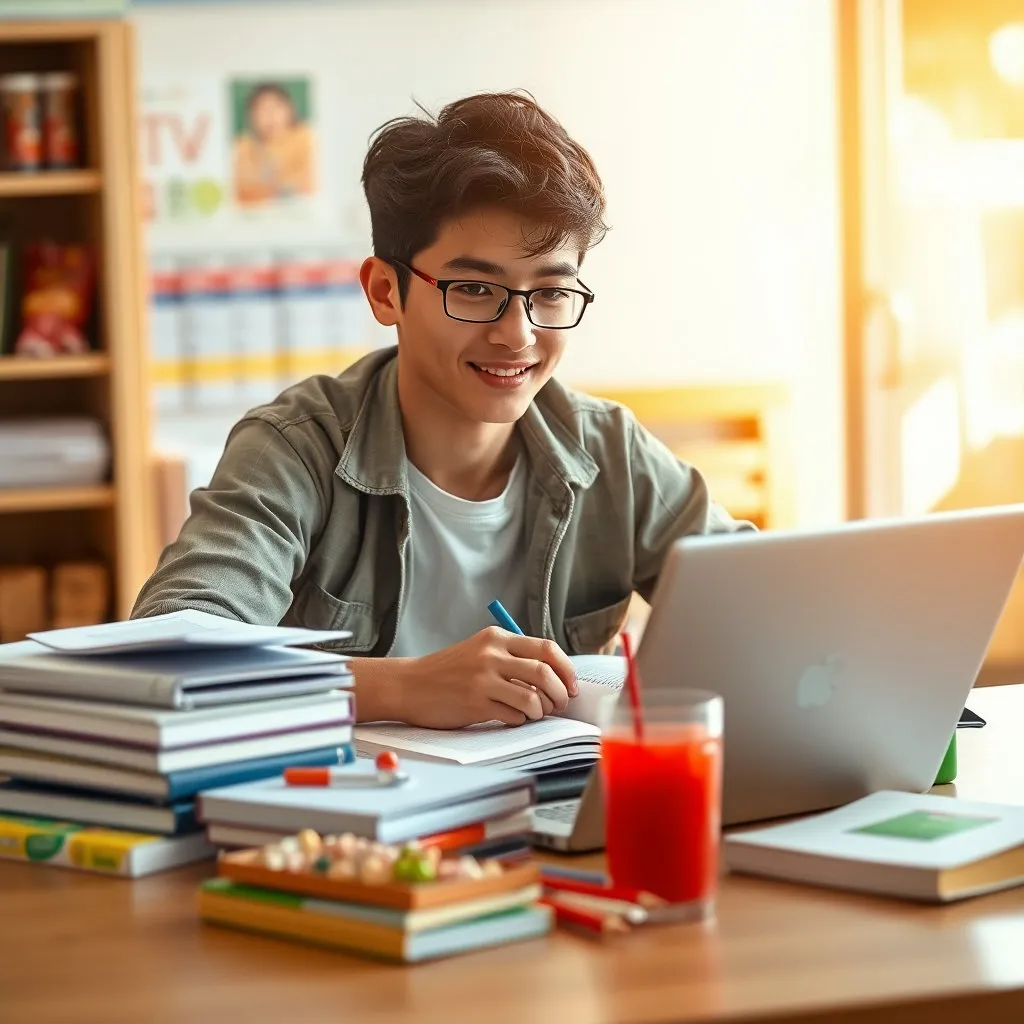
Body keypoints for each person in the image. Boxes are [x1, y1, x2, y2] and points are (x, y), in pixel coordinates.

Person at [133, 91, 750, 728]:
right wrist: (398, 688)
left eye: (550, 291)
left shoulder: (610, 451)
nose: (517, 333)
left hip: (552, 813)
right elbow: (170, 658)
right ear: (384, 291)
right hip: (346, 816)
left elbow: (772, 612)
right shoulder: (296, 448)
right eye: (476, 289)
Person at [232, 82, 314, 207]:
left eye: (276, 107)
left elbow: (311, 185)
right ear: (251, 116)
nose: (270, 116)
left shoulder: (308, 137)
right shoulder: (241, 147)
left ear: (290, 109)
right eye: (262, 109)